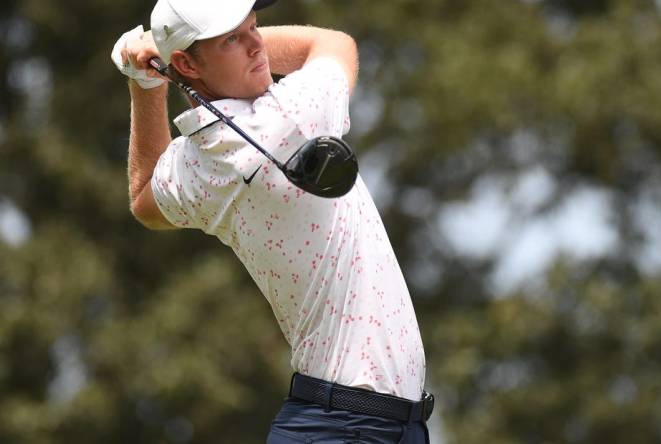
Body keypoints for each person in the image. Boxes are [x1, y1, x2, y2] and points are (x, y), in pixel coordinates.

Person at [110, 0, 432, 442]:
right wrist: (161, 56)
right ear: (186, 62)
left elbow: (144, 195)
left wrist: (145, 83)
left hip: (361, 423)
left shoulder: (200, 163)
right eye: (232, 39)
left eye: (254, 27)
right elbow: (333, 43)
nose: (256, 45)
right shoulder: (292, 115)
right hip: (343, 427)